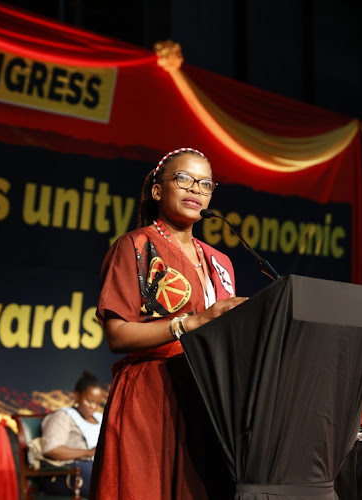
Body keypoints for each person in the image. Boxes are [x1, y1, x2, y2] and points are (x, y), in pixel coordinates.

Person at [89, 147, 247, 500]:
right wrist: (190, 323)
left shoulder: (221, 261)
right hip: (154, 393)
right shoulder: (136, 246)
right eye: (184, 179)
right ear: (158, 190)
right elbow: (117, 334)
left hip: (210, 396)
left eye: (205, 184)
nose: (195, 190)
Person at [39, 370, 106, 498]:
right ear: (77, 396)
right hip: (68, 470)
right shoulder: (63, 416)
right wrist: (87, 452)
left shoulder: (101, 418)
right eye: (89, 401)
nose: (93, 407)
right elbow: (52, 449)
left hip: (96, 466)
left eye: (97, 403)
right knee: (99, 478)